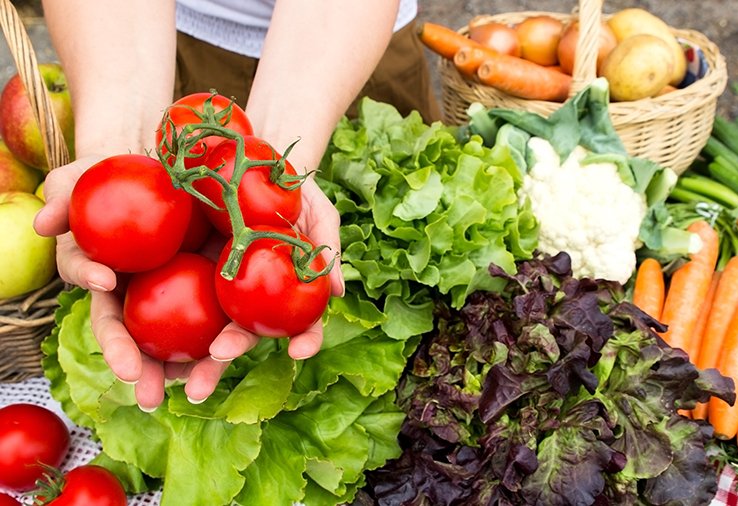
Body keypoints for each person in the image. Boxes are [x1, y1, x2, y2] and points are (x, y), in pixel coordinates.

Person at [34, 0, 441, 412]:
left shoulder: (246, 184)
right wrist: (119, 135)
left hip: (341, 47)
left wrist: (280, 149)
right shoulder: (199, 168)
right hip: (151, 44)